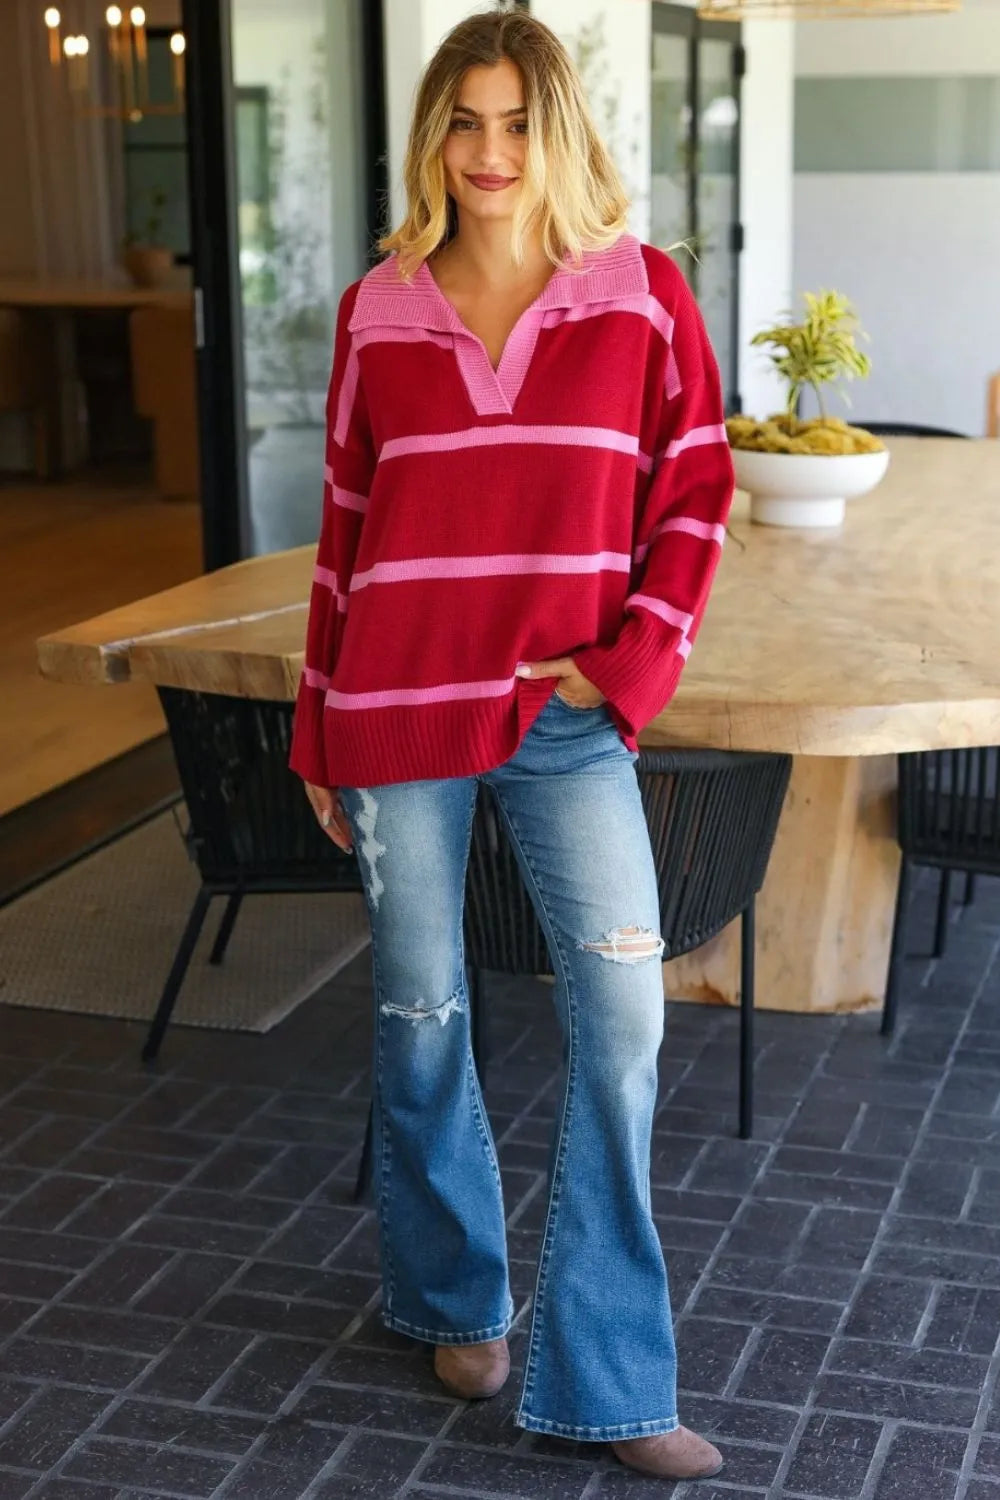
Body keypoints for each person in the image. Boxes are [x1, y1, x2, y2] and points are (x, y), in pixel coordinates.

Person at [289, 7, 734, 1482]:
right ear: (434, 141)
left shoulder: (641, 295)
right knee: (421, 1015)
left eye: (515, 122)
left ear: (559, 130)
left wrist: (627, 669)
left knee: (622, 1024)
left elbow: (694, 492)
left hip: (563, 718)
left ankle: (612, 1378)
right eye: (463, 123)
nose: (488, 152)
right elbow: (344, 531)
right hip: (395, 711)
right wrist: (315, 724)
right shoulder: (378, 308)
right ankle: (448, 1295)